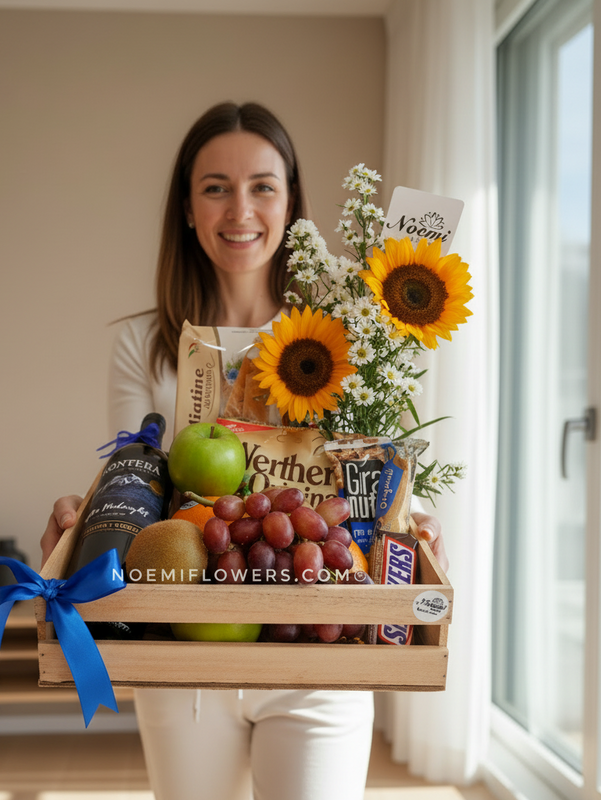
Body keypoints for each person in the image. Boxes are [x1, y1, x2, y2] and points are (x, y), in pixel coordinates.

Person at [41, 101, 448, 800]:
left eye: (263, 185)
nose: (241, 209)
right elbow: (133, 484)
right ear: (188, 208)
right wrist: (85, 521)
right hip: (183, 657)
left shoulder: (340, 340)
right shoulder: (143, 345)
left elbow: (361, 481)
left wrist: (401, 526)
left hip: (319, 652)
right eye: (215, 187)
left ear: (292, 202)